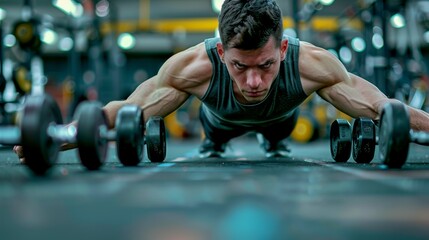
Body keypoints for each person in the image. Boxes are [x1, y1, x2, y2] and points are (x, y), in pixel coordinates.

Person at [14, 0, 429, 161]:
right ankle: (217, 140)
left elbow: (380, 106)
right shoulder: (191, 67)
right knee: (214, 136)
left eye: (265, 66)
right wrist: (63, 132)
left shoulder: (312, 64)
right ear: (219, 52)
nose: (252, 81)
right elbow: (127, 110)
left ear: (283, 50)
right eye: (238, 66)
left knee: (277, 133)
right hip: (219, 125)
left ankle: (271, 140)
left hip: (279, 121)